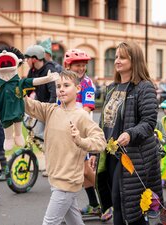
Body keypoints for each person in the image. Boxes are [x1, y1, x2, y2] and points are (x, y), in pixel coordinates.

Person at [24, 70, 106, 225]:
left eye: (66, 85)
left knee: (49, 222)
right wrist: (14, 87)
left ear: (78, 89)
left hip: (67, 182)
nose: (61, 89)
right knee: (74, 221)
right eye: (58, 86)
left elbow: (100, 141)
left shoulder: (81, 115)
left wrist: (81, 141)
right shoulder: (51, 110)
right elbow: (28, 105)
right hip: (56, 179)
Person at [99, 41, 164, 225]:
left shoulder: (144, 87)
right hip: (112, 153)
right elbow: (104, 122)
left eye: (122, 57)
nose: (117, 61)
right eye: (116, 57)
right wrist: (97, 151)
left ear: (134, 60)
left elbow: (149, 122)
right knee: (120, 202)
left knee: (125, 204)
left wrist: (130, 133)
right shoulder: (112, 88)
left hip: (134, 154)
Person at [62, 49, 102, 219]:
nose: (81, 68)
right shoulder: (64, 82)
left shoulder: (87, 83)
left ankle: (110, 201)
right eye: (77, 65)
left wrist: (74, 122)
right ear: (68, 65)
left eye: (83, 65)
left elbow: (87, 107)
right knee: (83, 171)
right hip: (67, 129)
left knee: (84, 170)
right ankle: (94, 204)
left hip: (81, 130)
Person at [25, 45, 58, 140]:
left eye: (27, 59)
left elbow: (54, 93)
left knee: (48, 137)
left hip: (50, 108)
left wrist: (49, 111)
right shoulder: (32, 71)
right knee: (37, 134)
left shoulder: (50, 70)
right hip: (40, 106)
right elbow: (27, 89)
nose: (26, 61)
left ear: (34, 59)